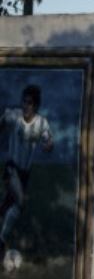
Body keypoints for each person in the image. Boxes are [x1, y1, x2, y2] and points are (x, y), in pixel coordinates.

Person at [0, 83, 54, 260]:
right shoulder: (14, 116)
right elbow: (3, 121)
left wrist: (48, 145)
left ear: (36, 106)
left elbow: (48, 141)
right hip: (11, 168)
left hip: (25, 173)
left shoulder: (41, 123)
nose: (25, 106)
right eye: (24, 101)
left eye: (29, 103)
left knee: (9, 206)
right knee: (21, 202)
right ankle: (1, 240)